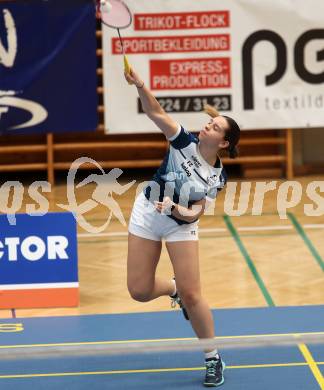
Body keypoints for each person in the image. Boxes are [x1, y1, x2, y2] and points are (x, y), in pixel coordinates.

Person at [125, 67, 240, 387]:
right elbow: (155, 111)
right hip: (148, 212)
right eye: (209, 122)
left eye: (215, 126)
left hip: (180, 225)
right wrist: (140, 85)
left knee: (193, 294)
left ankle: (213, 357)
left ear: (224, 141)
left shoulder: (217, 177)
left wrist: (176, 208)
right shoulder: (183, 142)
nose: (207, 126)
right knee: (139, 291)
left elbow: (195, 214)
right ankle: (171, 288)